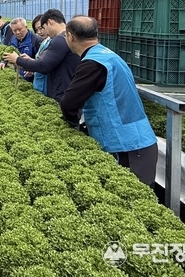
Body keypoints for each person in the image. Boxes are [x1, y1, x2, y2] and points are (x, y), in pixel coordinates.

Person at [61, 16, 158, 186]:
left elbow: (69, 103)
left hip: (127, 146)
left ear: (71, 36)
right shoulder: (107, 55)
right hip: (136, 140)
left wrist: (71, 122)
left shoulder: (93, 63)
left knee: (129, 195)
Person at [4, 9, 79, 103]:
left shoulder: (59, 39)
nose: (44, 31)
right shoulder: (67, 37)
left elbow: (43, 66)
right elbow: (50, 63)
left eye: (43, 27)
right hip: (67, 89)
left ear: (50, 22)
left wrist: (17, 59)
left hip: (62, 92)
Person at [31, 14, 52, 95]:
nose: (39, 32)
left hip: (47, 87)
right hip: (39, 85)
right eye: (36, 30)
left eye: (41, 28)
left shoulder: (54, 42)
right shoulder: (44, 42)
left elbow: (45, 65)